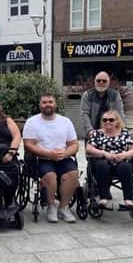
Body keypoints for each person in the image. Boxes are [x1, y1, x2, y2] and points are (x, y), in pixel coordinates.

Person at [23, 93, 79, 223]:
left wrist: (65, 153)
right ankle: (51, 206)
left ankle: (64, 207)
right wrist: (48, 154)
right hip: (41, 158)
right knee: (50, 176)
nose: (47, 104)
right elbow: (28, 144)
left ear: (55, 104)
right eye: (44, 102)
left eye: (50, 102)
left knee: (72, 173)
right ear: (40, 105)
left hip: (63, 157)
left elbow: (74, 144)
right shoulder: (32, 122)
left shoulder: (65, 122)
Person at [85, 110, 133, 208]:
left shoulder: (124, 133)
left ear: (117, 121)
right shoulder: (96, 133)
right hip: (102, 161)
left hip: (121, 161)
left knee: (125, 167)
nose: (107, 122)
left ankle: (128, 199)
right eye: (105, 120)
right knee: (102, 165)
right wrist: (104, 153)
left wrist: (125, 155)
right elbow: (89, 148)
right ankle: (103, 197)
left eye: (111, 120)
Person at [80, 71, 125, 137]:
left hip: (112, 133)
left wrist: (120, 130)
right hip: (93, 133)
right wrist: (89, 130)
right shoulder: (87, 95)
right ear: (95, 82)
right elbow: (84, 113)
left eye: (104, 81)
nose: (101, 82)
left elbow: (119, 113)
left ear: (108, 83)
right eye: (98, 80)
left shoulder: (115, 95)